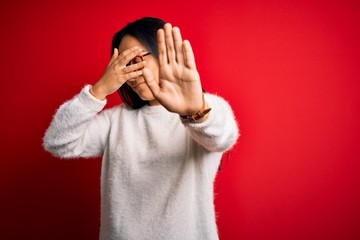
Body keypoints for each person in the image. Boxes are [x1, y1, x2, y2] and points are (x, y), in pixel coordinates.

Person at [43, 17, 239, 240]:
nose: (133, 72)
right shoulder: (115, 122)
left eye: (139, 58)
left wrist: (195, 110)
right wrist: (98, 91)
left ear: (163, 53)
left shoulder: (205, 110)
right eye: (125, 64)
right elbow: (57, 142)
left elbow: (222, 137)